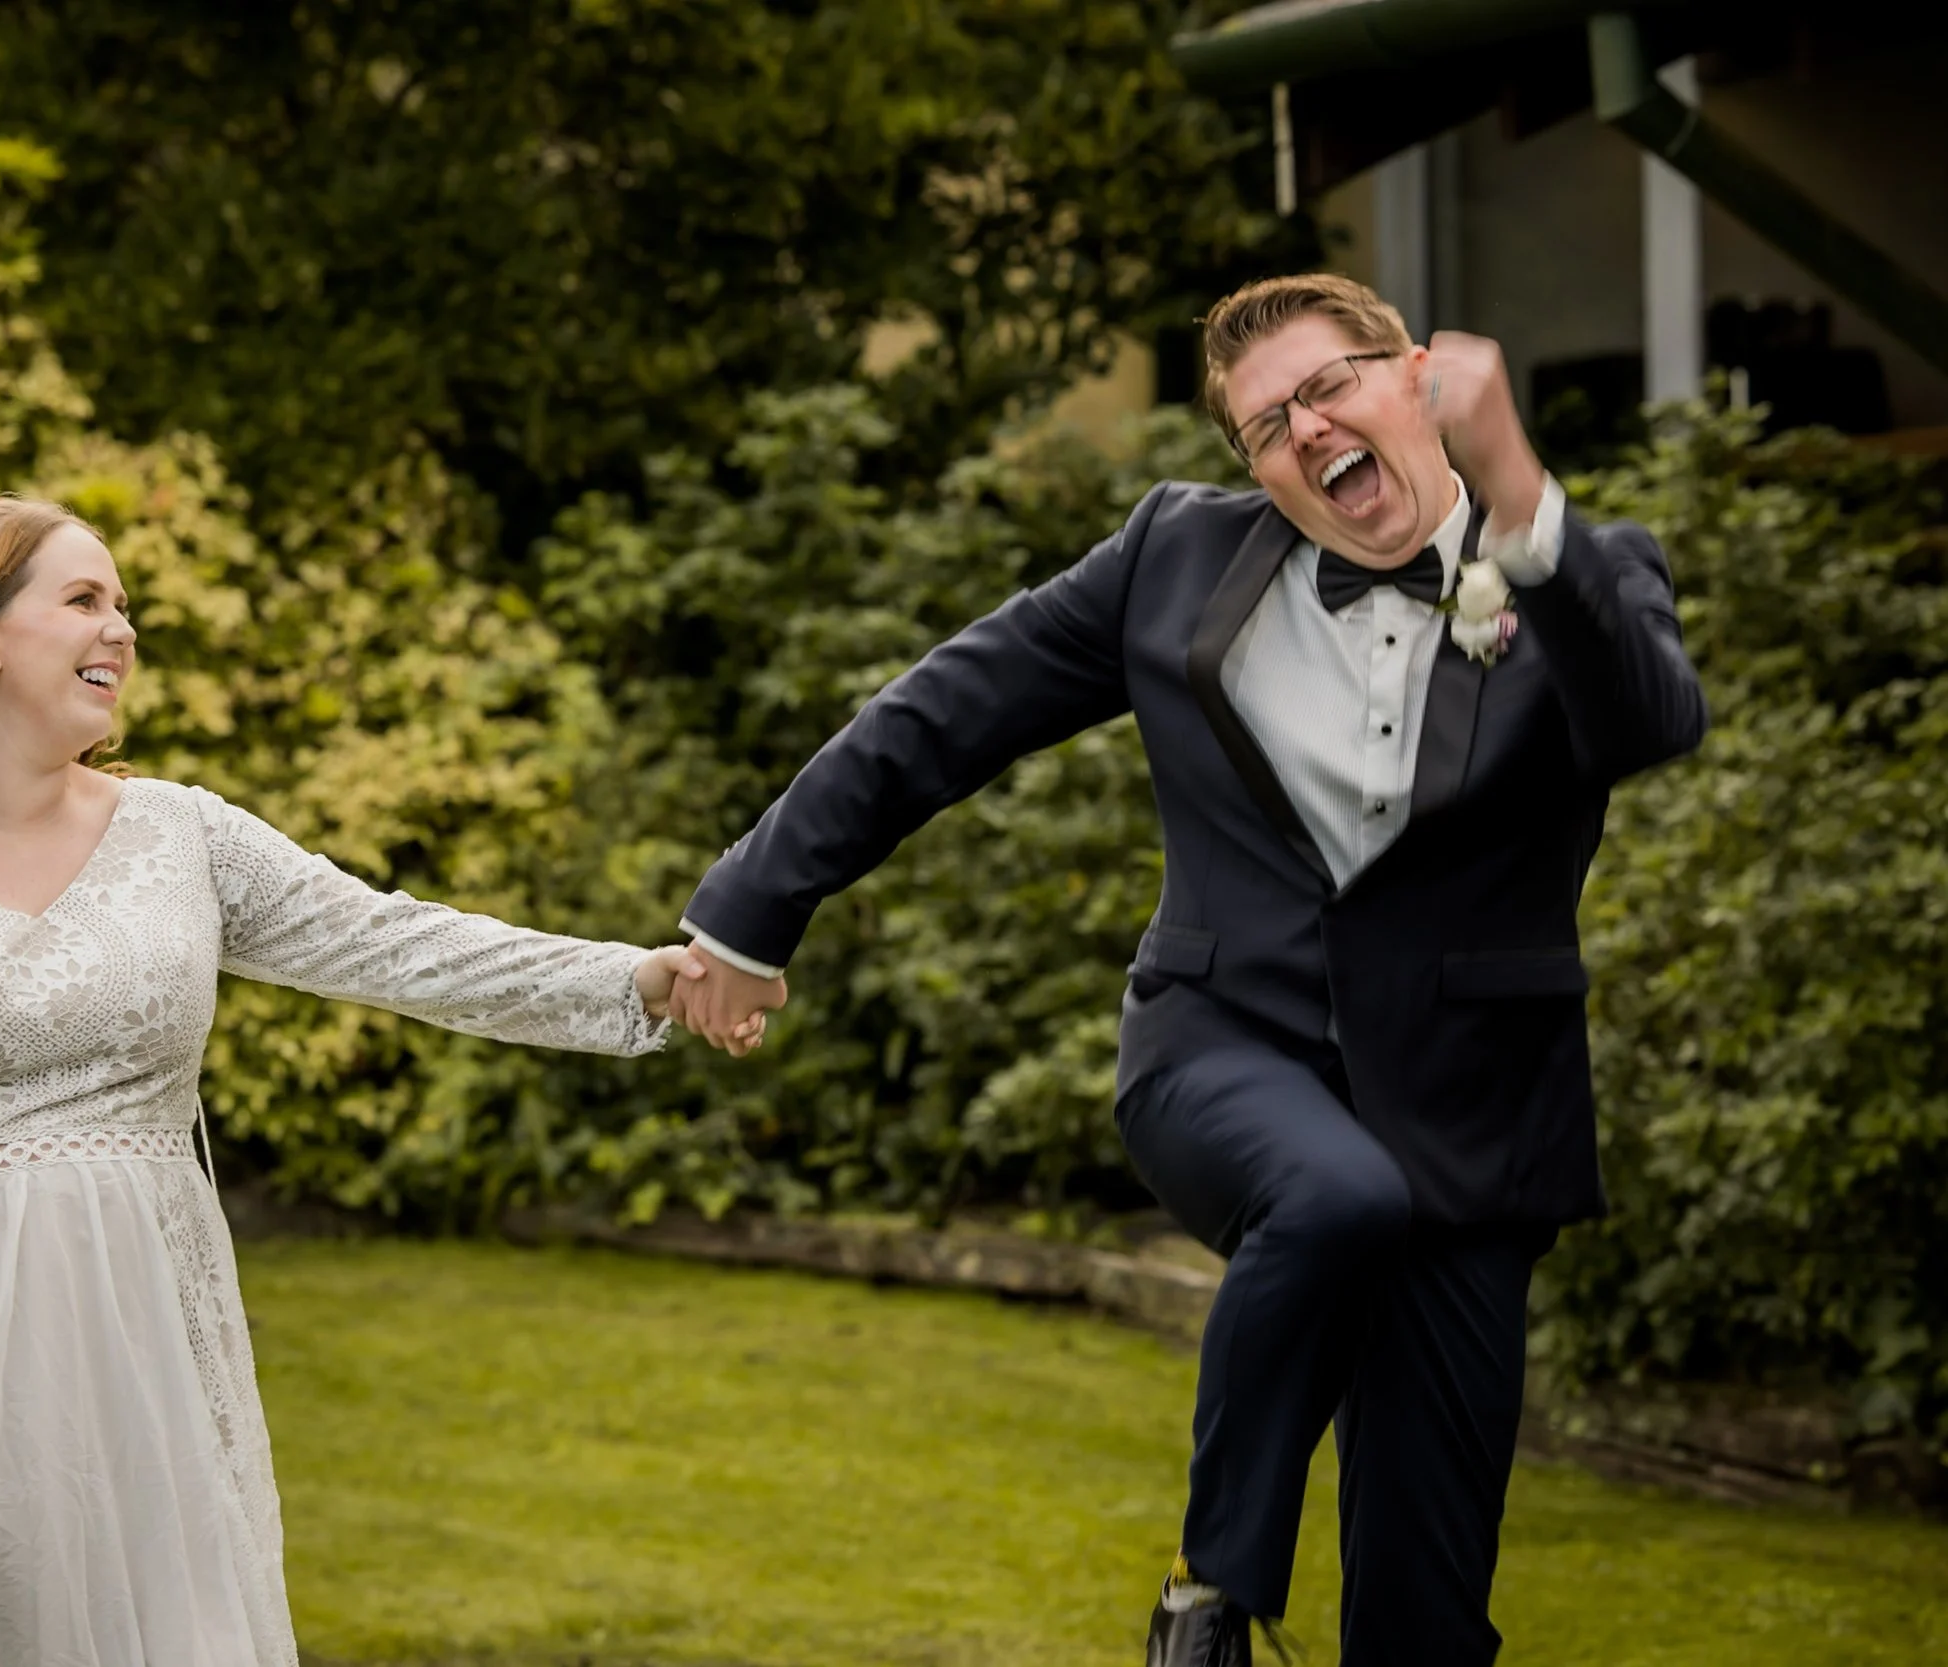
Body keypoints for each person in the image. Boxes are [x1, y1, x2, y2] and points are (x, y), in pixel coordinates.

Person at [667, 274, 1707, 1666]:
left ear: (1417, 376)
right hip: (1227, 1047)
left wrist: (1518, 496)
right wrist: (748, 914)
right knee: (1337, 1195)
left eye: (1329, 385)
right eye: (1268, 425)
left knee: (1426, 1607)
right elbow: (947, 710)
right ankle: (1209, 1591)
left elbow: (1647, 719)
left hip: (1473, 1124)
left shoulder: (1591, 564)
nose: (1307, 429)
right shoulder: (1172, 555)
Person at [0, 494, 754, 1667]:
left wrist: (638, 980)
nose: (124, 631)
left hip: (141, 1328)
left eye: (128, 607)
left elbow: (397, 944)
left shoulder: (181, 836)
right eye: (86, 600)